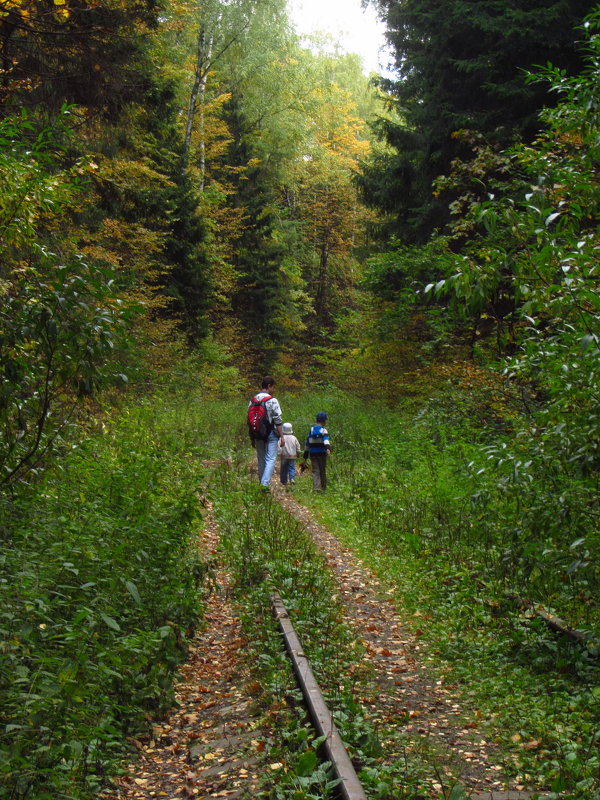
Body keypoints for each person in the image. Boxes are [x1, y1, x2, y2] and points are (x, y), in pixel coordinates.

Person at [248, 376, 285, 491]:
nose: (274, 390)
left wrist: (252, 437)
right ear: (269, 386)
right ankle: (264, 485)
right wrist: (282, 436)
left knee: (261, 458)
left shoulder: (253, 400)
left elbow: (250, 420)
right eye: (273, 387)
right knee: (270, 459)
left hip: (257, 433)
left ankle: (261, 482)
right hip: (271, 433)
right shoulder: (272, 400)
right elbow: (277, 420)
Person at [303, 411, 331, 491]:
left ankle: (316, 488)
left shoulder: (311, 430)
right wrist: (328, 448)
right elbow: (326, 441)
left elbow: (307, 443)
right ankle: (323, 486)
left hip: (313, 453)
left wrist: (305, 454)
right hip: (322, 453)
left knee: (315, 470)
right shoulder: (324, 430)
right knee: (322, 469)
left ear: (317, 420)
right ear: (324, 421)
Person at [278, 422, 302, 487]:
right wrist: (298, 453)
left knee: (283, 468)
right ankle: (292, 479)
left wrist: (279, 454)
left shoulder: (281, 438)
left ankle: (283, 481)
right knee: (291, 468)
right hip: (292, 456)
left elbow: (279, 447)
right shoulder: (294, 438)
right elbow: (298, 446)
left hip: (284, 456)